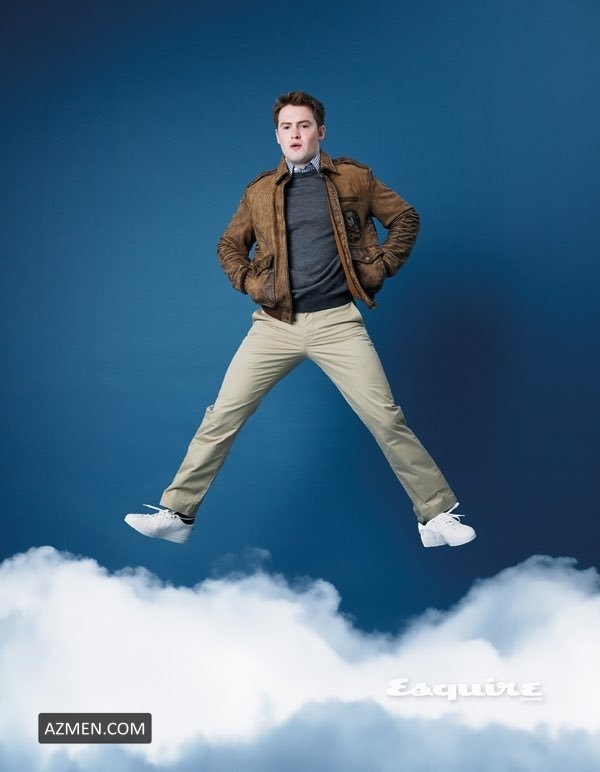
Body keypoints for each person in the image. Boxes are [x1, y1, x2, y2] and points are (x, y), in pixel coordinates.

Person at [125, 91, 476, 549]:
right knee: (222, 415)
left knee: (386, 418)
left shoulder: (354, 178)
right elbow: (229, 245)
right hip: (275, 326)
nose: (295, 133)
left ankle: (435, 516)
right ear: (277, 136)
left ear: (320, 132)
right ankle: (178, 514)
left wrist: (382, 265)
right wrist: (251, 282)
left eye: (304, 125)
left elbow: (405, 217)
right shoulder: (259, 191)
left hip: (337, 324)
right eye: (287, 126)